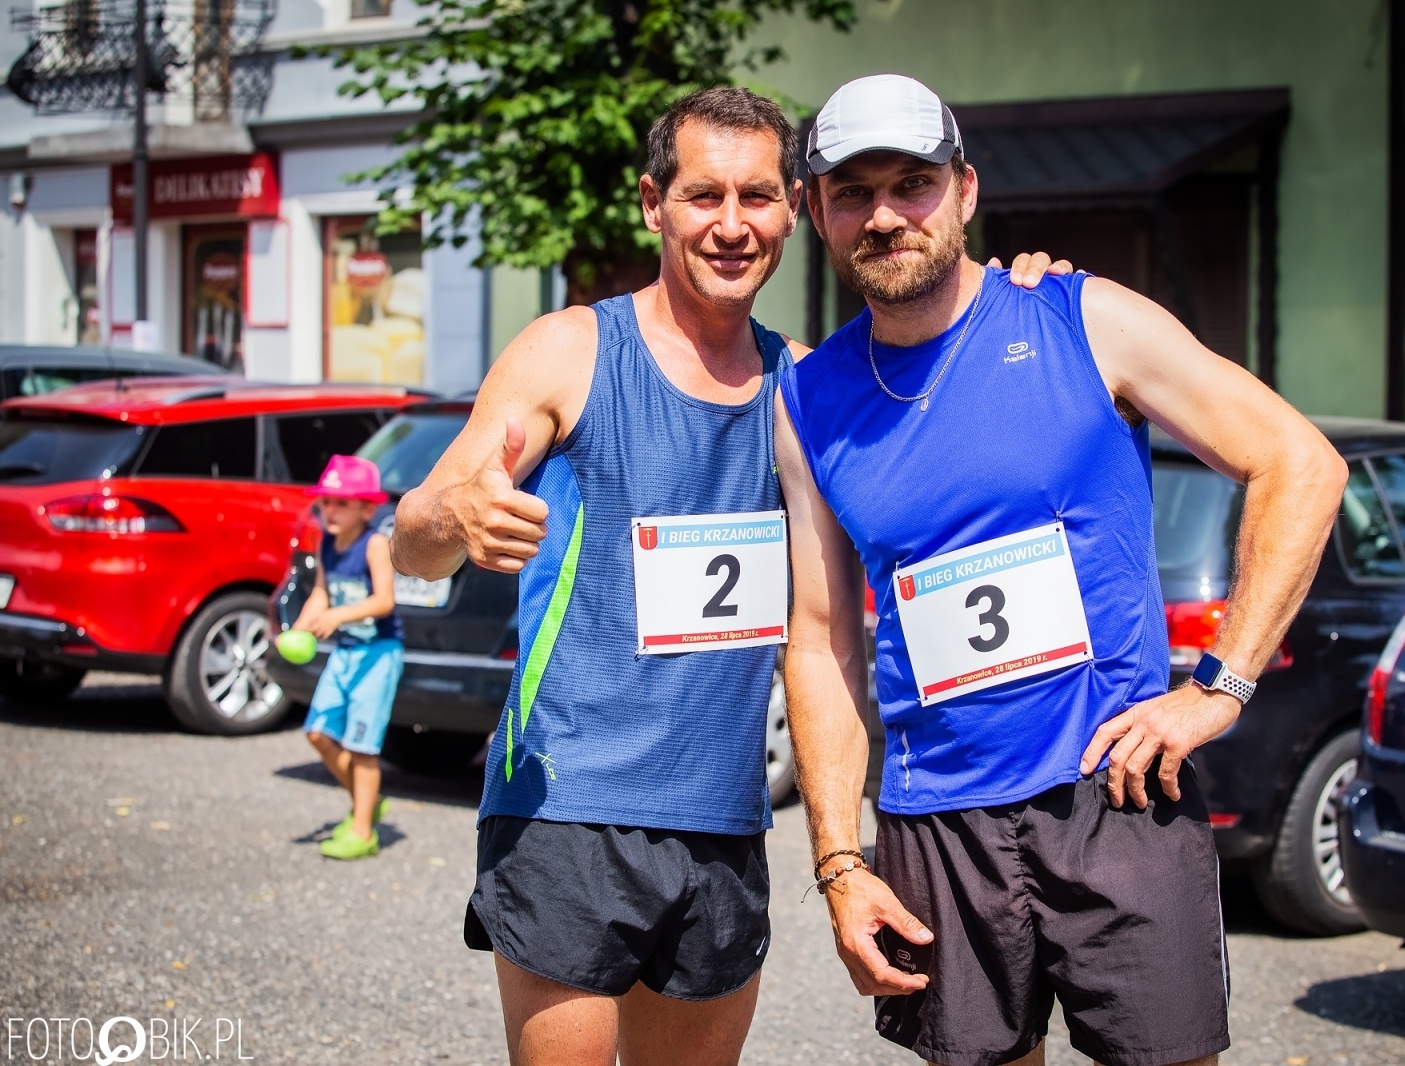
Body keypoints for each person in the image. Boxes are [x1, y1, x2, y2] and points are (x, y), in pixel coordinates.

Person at [389, 86, 1071, 1066]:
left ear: (792, 208)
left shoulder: (807, 384)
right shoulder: (570, 351)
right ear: (650, 203)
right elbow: (413, 541)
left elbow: (958, 383)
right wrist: (446, 518)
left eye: (756, 197)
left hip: (724, 816)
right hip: (567, 802)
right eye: (703, 196)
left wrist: (1024, 294)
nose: (730, 224)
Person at [778, 74, 1349, 1066]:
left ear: (964, 190)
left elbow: (1297, 462)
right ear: (813, 210)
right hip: (934, 817)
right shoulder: (808, 397)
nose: (883, 214)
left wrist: (1221, 685)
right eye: (851, 191)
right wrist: (837, 861)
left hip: (1114, 790)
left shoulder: (1085, 319)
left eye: (911, 183)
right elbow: (821, 642)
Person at [294, 454, 404, 862]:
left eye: (341, 502)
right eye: (326, 502)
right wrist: (300, 629)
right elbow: (321, 593)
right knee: (318, 733)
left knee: (362, 747)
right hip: (346, 653)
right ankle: (366, 801)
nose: (330, 510)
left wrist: (337, 615)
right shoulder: (327, 544)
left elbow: (384, 601)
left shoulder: (374, 544)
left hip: (377, 655)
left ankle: (363, 831)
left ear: (367, 508)